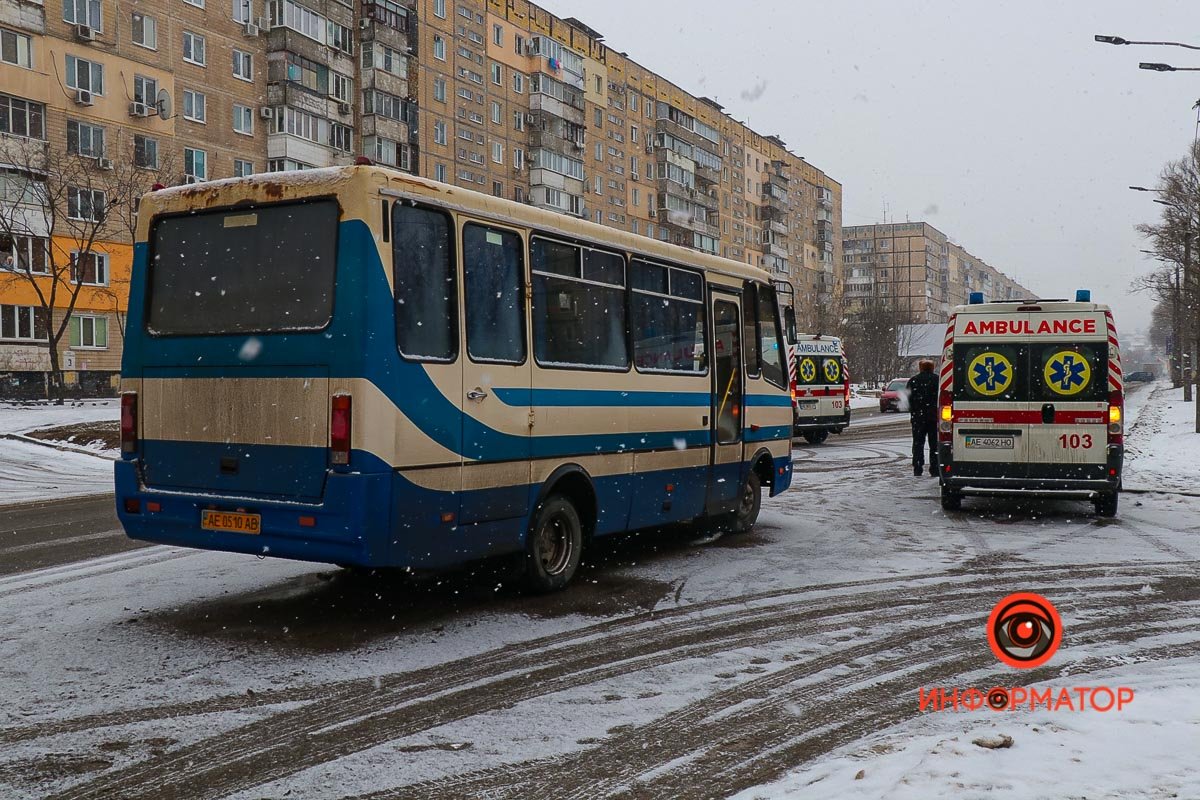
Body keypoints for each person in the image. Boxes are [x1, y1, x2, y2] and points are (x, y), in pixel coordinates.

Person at [907, 360, 938, 476]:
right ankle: (934, 468)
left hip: (918, 418)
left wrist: (914, 410)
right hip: (933, 418)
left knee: (918, 443)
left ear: (920, 368)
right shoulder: (938, 380)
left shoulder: (913, 381)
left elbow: (908, 399)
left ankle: (918, 467)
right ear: (932, 368)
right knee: (934, 444)